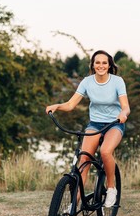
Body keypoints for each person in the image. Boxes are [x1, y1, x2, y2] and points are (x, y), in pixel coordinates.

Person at [45, 50, 130, 207]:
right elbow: (71, 105)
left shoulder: (117, 81)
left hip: (114, 123)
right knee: (84, 159)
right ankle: (73, 205)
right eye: (97, 62)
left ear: (110, 65)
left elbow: (125, 107)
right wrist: (57, 106)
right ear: (92, 65)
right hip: (95, 124)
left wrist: (123, 114)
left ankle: (111, 188)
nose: (101, 66)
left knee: (105, 151)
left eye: (104, 63)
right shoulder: (87, 82)